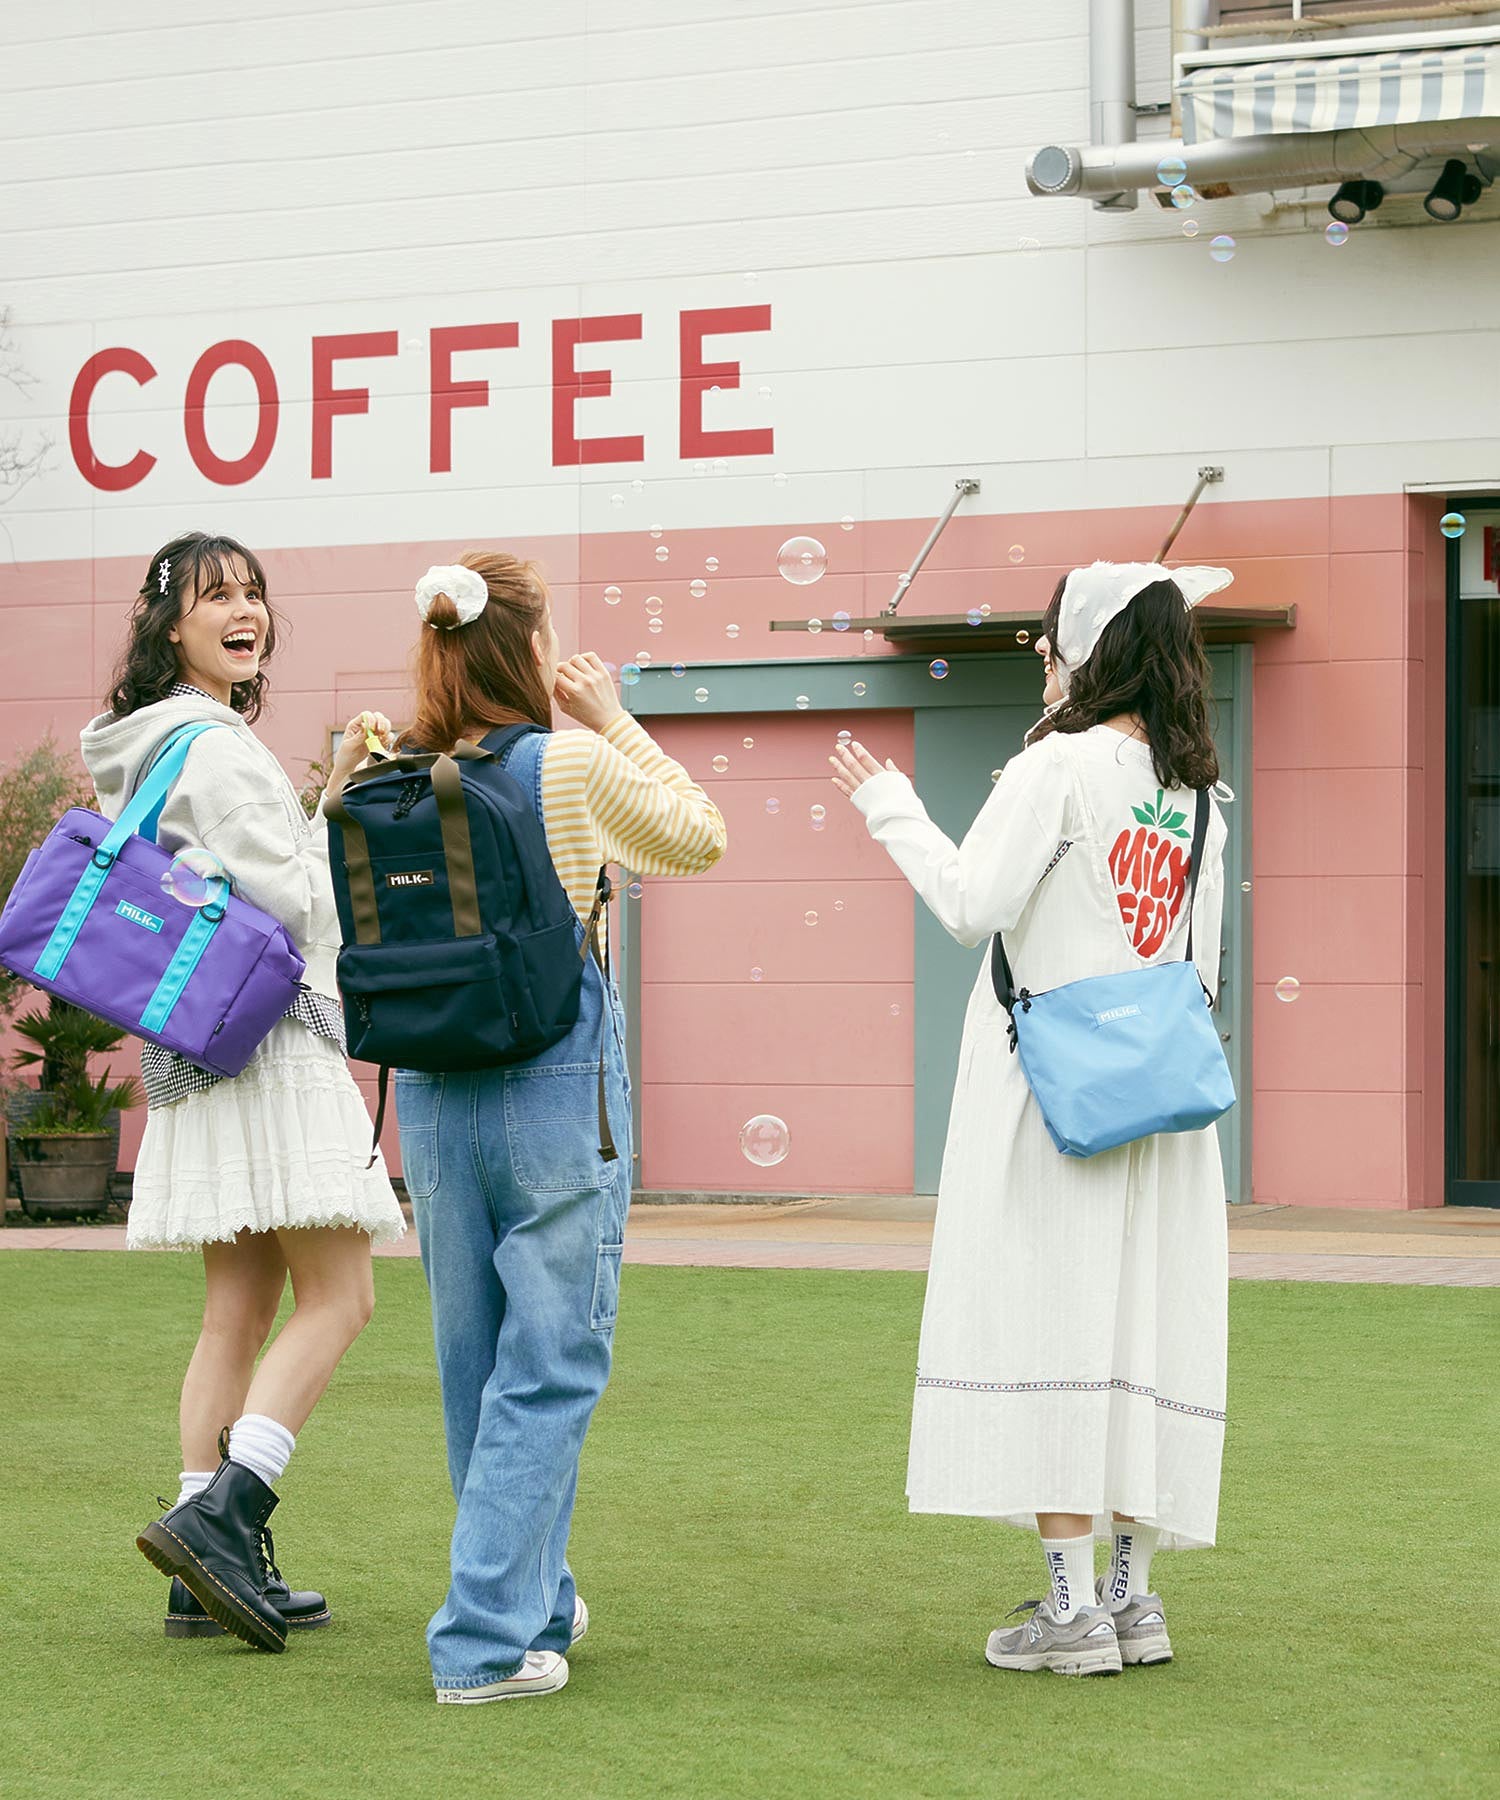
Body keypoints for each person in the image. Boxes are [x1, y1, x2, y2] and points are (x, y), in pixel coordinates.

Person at [831, 561, 1233, 1678]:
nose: (1044, 658)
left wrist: (890, 806)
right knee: (1140, 1329)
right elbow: (1201, 970)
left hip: (1050, 1094)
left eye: (1054, 640)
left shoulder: (1053, 766)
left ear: (1091, 647)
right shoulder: (1198, 788)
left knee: (1055, 1323)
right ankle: (1131, 1602)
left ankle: (1068, 1618)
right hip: (1163, 1103)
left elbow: (970, 905)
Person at [392, 552, 726, 1704]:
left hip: (432, 1101)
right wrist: (618, 718)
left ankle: (533, 1602)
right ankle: (483, 1644)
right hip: (552, 1088)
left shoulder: (390, 773)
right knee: (552, 1363)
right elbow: (698, 833)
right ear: (529, 650)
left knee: (475, 1365)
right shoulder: (567, 763)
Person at [81, 531, 405, 1654]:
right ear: (170, 625)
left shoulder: (157, 744)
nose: (245, 609)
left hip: (202, 1047)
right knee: (342, 1297)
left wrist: (322, 791)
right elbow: (306, 905)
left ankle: (196, 1558)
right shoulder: (213, 748)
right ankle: (229, 1516)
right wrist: (352, 804)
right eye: (217, 595)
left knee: (238, 1308)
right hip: (270, 1044)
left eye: (255, 592)